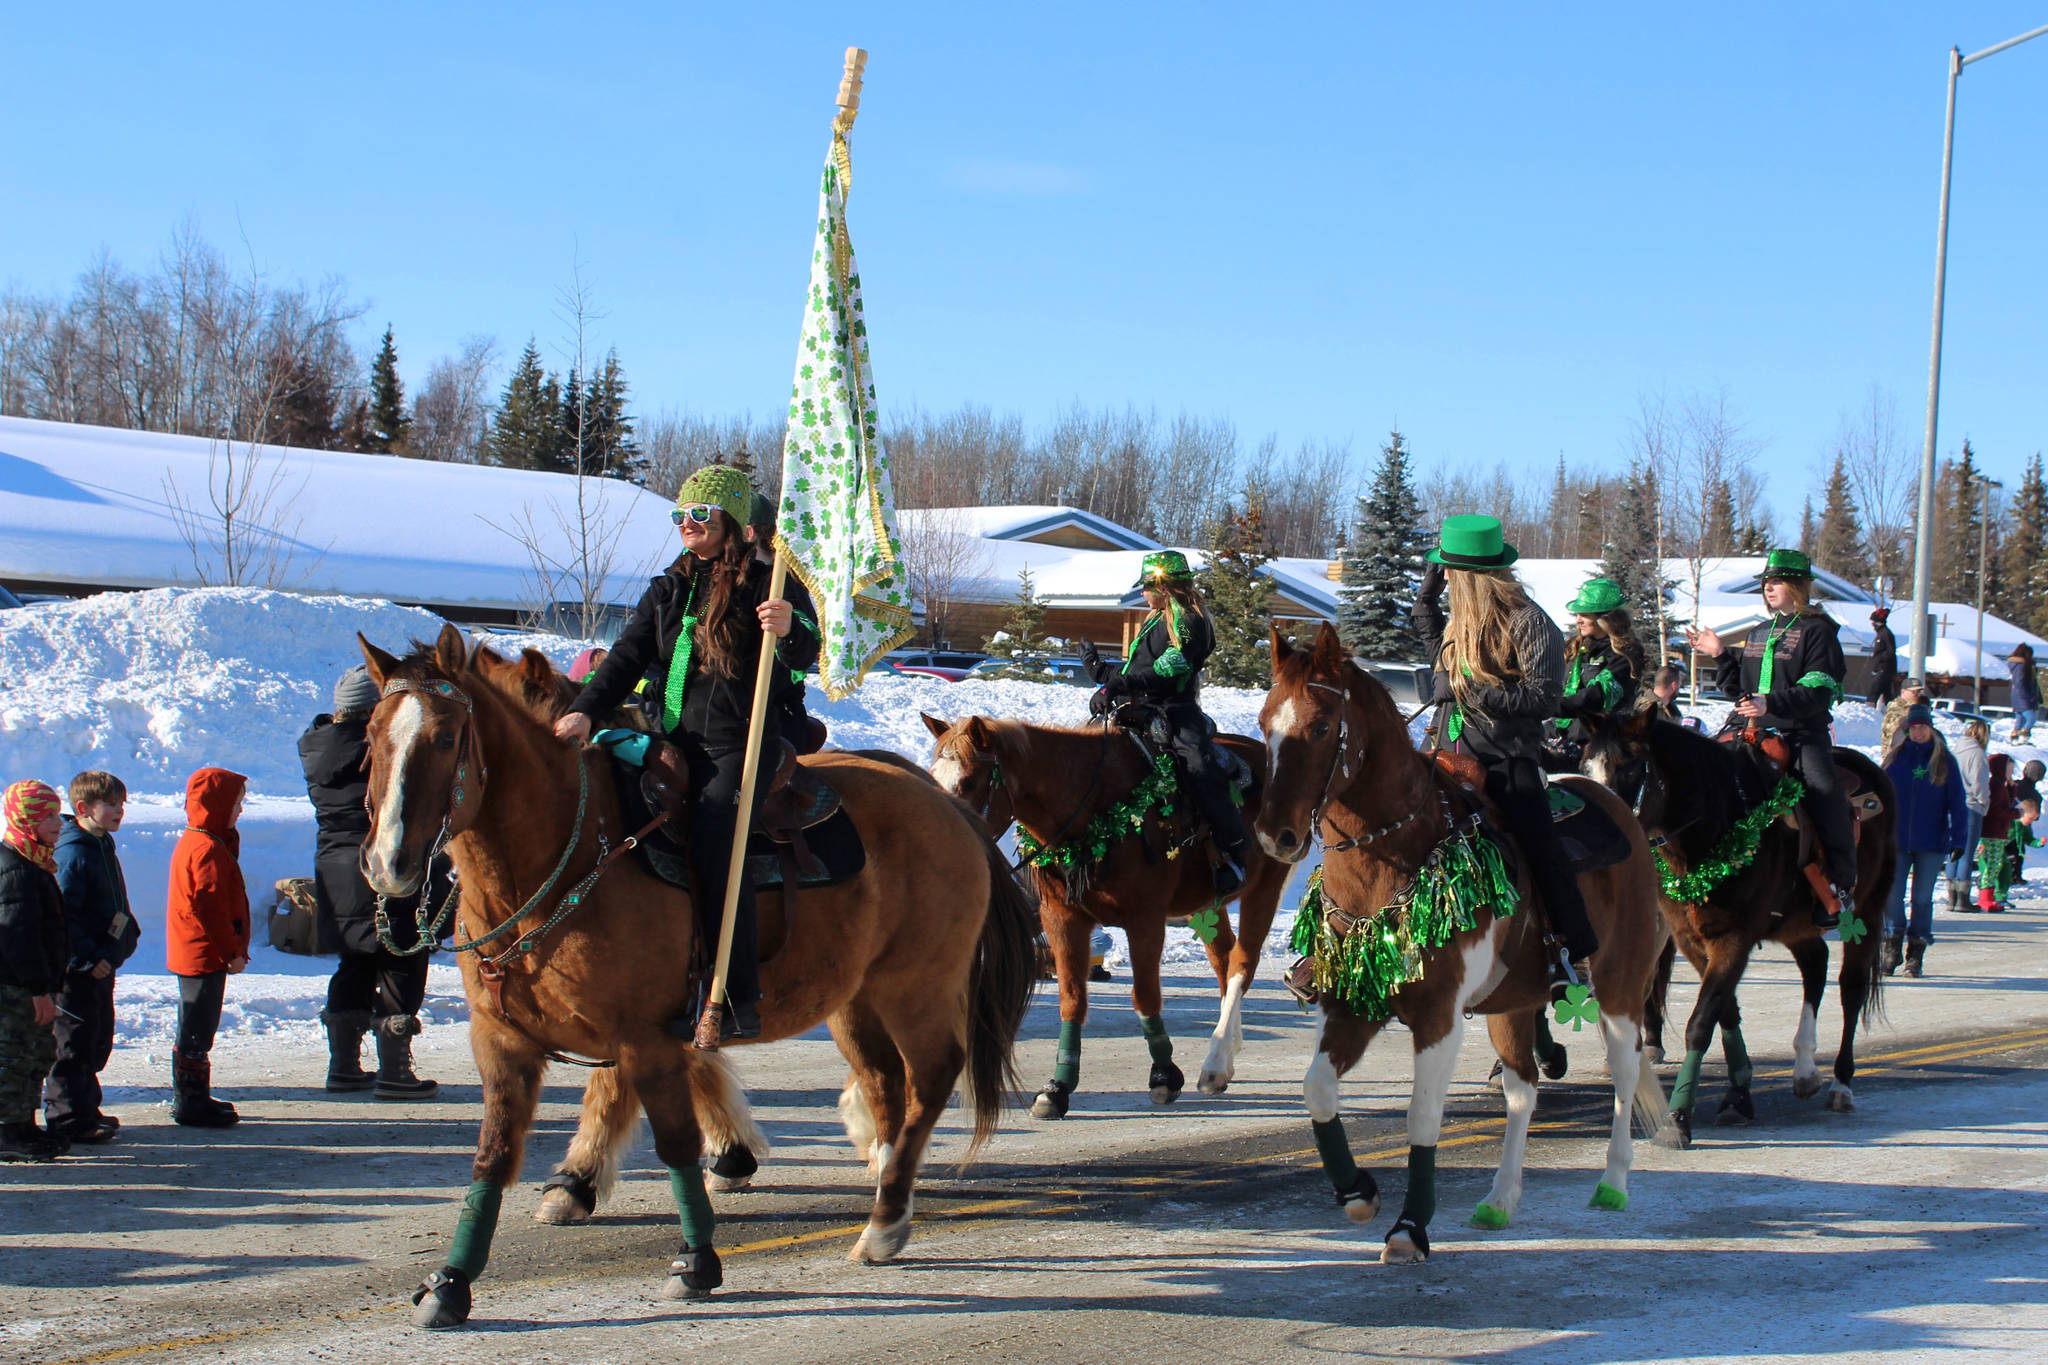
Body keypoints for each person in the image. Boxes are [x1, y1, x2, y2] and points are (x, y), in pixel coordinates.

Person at [557, 465, 819, 1043]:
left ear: (730, 522)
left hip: (735, 744)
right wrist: (586, 710)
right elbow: (625, 658)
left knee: (713, 842)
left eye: (699, 515)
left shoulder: (768, 582)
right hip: (667, 741)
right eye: (679, 515)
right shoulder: (667, 588)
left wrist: (790, 627)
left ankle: (736, 995)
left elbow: (807, 652)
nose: (686, 525)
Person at [1412, 515, 1596, 989]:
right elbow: (1432, 639)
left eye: (1449, 570)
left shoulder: (1531, 623)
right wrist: (1425, 595)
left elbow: (1543, 700)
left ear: (1472, 576)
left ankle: (1572, 955)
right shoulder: (1460, 620)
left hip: (1505, 760)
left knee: (1539, 844)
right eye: (1441, 570)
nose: (1445, 577)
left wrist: (1471, 690)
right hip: (1445, 751)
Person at [1684, 549, 1854, 927]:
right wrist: (1721, 655)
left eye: (1776, 581)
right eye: (1766, 582)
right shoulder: (1760, 631)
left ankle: (1840, 883)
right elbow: (1742, 690)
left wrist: (1770, 702)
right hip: (1747, 732)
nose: (1768, 587)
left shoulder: (1819, 630)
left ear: (1797, 585)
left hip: (1800, 733)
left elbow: (1818, 688)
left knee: (1824, 790)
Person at [301, 667, 439, 1100]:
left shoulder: (315, 745)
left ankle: (342, 1066)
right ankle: (396, 1072)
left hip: (335, 869)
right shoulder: (379, 746)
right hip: (383, 860)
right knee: (403, 957)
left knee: (355, 962)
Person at [1083, 549, 1251, 895]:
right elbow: (1135, 670)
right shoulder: (1155, 620)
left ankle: (1234, 852)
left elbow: (1167, 669)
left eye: (1146, 587)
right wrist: (1100, 673)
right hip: (1139, 709)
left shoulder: (1191, 621)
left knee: (1198, 768)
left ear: (1164, 586)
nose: (1143, 593)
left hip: (1177, 712)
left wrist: (1117, 684)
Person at [45, 771, 139, 1144]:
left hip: (102, 961)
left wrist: (120, 943)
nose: (119, 812)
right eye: (111, 805)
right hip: (79, 967)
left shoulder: (101, 844)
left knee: (95, 1038)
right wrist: (87, 957)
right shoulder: (74, 852)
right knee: (72, 1042)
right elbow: (64, 915)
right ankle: (67, 1117)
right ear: (83, 808)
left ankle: (87, 1108)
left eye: (122, 804)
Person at [165, 767, 250, 1127]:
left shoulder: (204, 841)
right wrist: (230, 951)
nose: (240, 811)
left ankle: (193, 1095)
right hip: (203, 953)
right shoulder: (206, 848)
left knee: (197, 1024)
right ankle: (190, 1101)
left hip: (199, 951)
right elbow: (211, 907)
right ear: (217, 805)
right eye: (236, 804)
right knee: (198, 1026)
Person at [0, 780, 69, 1162]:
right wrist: (39, 989)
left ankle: (23, 1125)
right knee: (15, 1055)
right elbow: (18, 939)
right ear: (26, 819)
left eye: (57, 813)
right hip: (17, 989)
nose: (57, 822)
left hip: (33, 986)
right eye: (47, 816)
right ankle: (9, 1130)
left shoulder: (33, 862)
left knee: (36, 1053)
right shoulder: (16, 870)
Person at [1878, 705, 1969, 979]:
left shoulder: (1944, 761)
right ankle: (1892, 945)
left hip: (1931, 842)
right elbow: (1878, 796)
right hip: (1896, 841)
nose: (1918, 732)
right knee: (1892, 896)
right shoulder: (1896, 759)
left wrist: (1958, 839)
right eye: (1913, 728)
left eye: (1922, 727)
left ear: (1930, 728)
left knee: (1921, 899)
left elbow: (1958, 803)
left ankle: (1915, 955)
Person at [747, 492, 826, 756]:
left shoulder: (784, 583)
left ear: (749, 532)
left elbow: (802, 654)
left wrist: (788, 631)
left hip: (775, 718)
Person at [1551, 577, 1644, 759]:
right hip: (1559, 738)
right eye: (1577, 614)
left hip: (1601, 749)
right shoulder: (1573, 647)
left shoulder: (1625, 653)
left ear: (1605, 617)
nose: (1578, 620)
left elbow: (1599, 696)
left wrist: (1550, 705)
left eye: (1585, 614)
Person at [1946, 718, 1993, 915]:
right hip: (1970, 806)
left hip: (1952, 806)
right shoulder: (1978, 754)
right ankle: (1963, 898)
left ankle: (1952, 895)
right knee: (1966, 851)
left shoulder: (1954, 752)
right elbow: (1979, 784)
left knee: (1953, 852)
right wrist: (1984, 803)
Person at [1976, 752, 2022, 913]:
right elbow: (1996, 810)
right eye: (2009, 770)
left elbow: (2006, 803)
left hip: (1998, 832)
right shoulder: (1995, 786)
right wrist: (2016, 813)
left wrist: (2013, 789)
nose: (2011, 773)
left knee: (1996, 865)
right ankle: (1985, 898)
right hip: (1992, 832)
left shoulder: (2001, 785)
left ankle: (1989, 897)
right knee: (1992, 866)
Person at [1880, 679, 1927, 754]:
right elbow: (1895, 734)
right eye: (1913, 692)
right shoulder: (1895, 708)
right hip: (1897, 754)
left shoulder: (1917, 707)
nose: (1917, 694)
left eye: (1919, 691)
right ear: (1903, 692)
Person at [1866, 607, 1900, 706]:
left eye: (1873, 623)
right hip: (1881, 669)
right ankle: (1890, 710)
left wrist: (1879, 659)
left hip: (1884, 669)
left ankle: (1869, 710)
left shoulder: (1886, 634)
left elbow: (1890, 651)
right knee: (1887, 694)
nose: (1872, 626)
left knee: (1873, 692)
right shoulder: (1880, 634)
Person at [2008, 645, 2041, 744]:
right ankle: (2023, 736)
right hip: (2023, 697)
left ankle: (2015, 738)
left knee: (2020, 719)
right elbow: (2020, 682)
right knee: (2032, 718)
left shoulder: (2016, 665)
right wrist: (2028, 697)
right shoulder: (2021, 666)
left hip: (2017, 697)